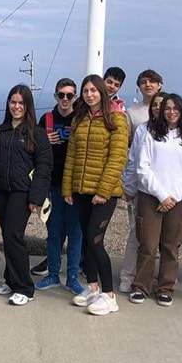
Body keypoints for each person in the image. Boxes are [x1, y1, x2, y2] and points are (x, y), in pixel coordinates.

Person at [63, 75, 129, 316]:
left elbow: (117, 157)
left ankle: (110, 296)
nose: (89, 94)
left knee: (94, 240)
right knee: (86, 242)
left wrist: (103, 191)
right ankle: (93, 288)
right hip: (81, 190)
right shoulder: (79, 118)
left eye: (94, 90)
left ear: (102, 92)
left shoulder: (116, 118)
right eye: (86, 90)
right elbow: (72, 155)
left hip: (104, 193)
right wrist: (67, 188)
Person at [125, 94, 182, 307]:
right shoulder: (150, 133)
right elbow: (142, 167)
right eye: (167, 108)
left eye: (175, 108)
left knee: (171, 245)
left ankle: (165, 287)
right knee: (147, 244)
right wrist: (161, 195)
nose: (171, 112)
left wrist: (173, 196)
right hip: (150, 196)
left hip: (177, 199)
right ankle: (141, 286)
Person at [0, 86, 53, 306]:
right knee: (7, 236)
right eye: (13, 102)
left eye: (21, 103)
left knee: (13, 236)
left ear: (28, 106)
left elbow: (44, 167)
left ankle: (25, 287)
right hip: (2, 190)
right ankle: (11, 279)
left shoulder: (37, 133)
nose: (16, 107)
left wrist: (36, 197)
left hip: (23, 192)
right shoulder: (1, 130)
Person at [32, 79, 84, 294]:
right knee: (53, 232)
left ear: (75, 97)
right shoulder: (46, 119)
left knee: (75, 233)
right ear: (55, 95)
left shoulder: (81, 119)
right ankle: (53, 274)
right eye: (61, 95)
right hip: (52, 185)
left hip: (75, 186)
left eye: (69, 95)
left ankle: (72, 277)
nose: (65, 99)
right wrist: (44, 140)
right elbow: (33, 147)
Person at [120, 91, 166, 294]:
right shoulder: (142, 129)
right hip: (143, 189)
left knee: (165, 239)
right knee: (137, 234)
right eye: (155, 105)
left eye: (163, 104)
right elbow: (133, 160)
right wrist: (129, 188)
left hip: (171, 194)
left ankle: (158, 278)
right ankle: (128, 275)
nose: (158, 108)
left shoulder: (180, 131)